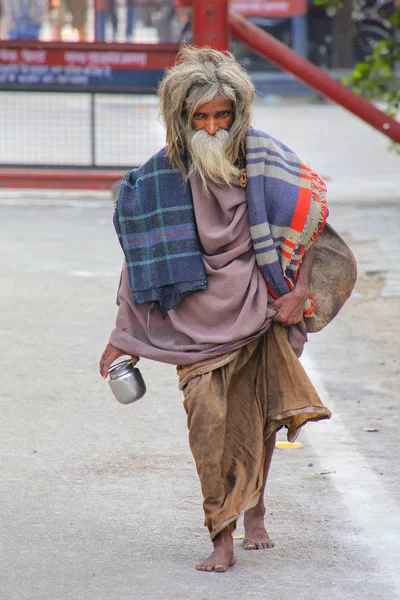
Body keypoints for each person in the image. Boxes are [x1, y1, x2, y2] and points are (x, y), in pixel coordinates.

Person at [99, 46, 334, 573]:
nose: (211, 126)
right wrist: (120, 336)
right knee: (209, 423)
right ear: (180, 119)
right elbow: (138, 265)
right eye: (199, 117)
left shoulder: (270, 163)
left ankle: (254, 510)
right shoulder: (153, 183)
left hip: (258, 311)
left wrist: (300, 292)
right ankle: (220, 530)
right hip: (192, 324)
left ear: (239, 113)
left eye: (221, 115)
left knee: (257, 421)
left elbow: (314, 227)